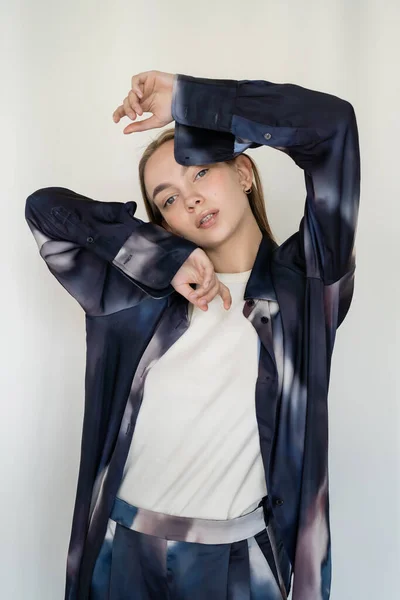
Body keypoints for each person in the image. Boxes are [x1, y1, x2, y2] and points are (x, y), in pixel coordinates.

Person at [25, 70, 360, 600]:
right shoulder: (134, 294)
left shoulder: (307, 289)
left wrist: (191, 102)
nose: (192, 202)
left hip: (237, 564)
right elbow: (44, 209)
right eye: (169, 200)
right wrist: (161, 257)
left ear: (244, 172)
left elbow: (333, 127)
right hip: (122, 552)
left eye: (201, 174)